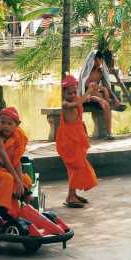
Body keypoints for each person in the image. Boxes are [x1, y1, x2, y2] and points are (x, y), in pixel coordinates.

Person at [56, 75, 98, 208]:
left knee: (76, 167)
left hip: (77, 138)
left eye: (75, 92)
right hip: (69, 141)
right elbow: (77, 103)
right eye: (69, 92)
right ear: (63, 92)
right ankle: (70, 196)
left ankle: (73, 193)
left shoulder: (76, 99)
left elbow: (81, 101)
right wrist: (88, 92)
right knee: (76, 167)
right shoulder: (65, 103)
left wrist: (92, 91)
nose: (73, 94)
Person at [78, 50, 126, 140]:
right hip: (87, 96)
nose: (97, 62)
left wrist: (115, 98)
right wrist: (99, 90)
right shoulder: (87, 71)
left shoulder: (101, 71)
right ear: (92, 60)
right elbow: (83, 86)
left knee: (107, 102)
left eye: (99, 60)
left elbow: (107, 87)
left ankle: (109, 133)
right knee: (104, 103)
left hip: (98, 95)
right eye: (95, 60)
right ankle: (108, 132)